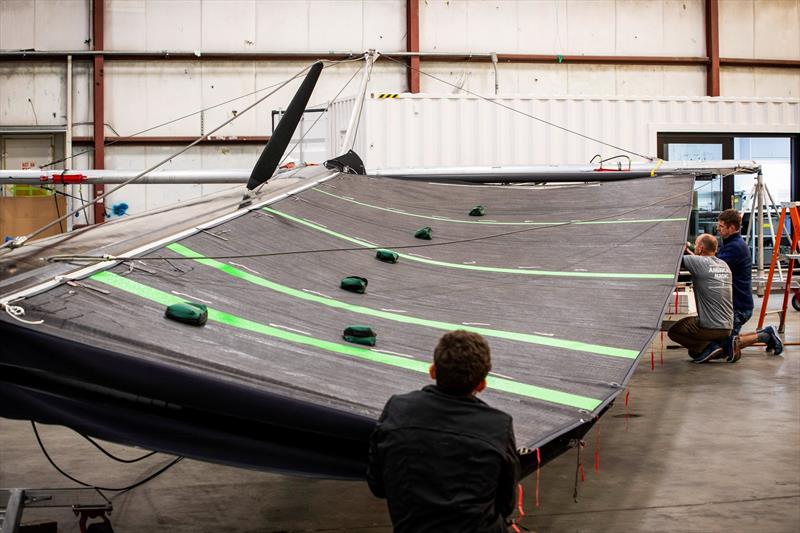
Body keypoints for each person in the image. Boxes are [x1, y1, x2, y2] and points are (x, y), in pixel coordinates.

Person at [367, 330, 520, 533]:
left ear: (433, 371)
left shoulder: (398, 409)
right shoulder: (498, 426)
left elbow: (377, 485)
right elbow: (506, 504)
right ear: (481, 385)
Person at [714, 209, 783, 361]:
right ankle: (767, 333)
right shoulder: (731, 244)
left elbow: (714, 265)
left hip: (739, 307)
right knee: (721, 340)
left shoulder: (735, 247)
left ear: (732, 228)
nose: (718, 228)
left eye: (721, 226)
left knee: (724, 346)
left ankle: (765, 335)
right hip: (738, 304)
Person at [668, 233, 733, 363]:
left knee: (673, 331)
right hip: (728, 325)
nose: (695, 247)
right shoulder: (723, 264)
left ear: (701, 249)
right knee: (692, 347)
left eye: (696, 245)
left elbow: (674, 259)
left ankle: (706, 348)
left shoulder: (699, 262)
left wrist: (681, 246)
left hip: (710, 327)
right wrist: (688, 250)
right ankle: (721, 345)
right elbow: (701, 263)